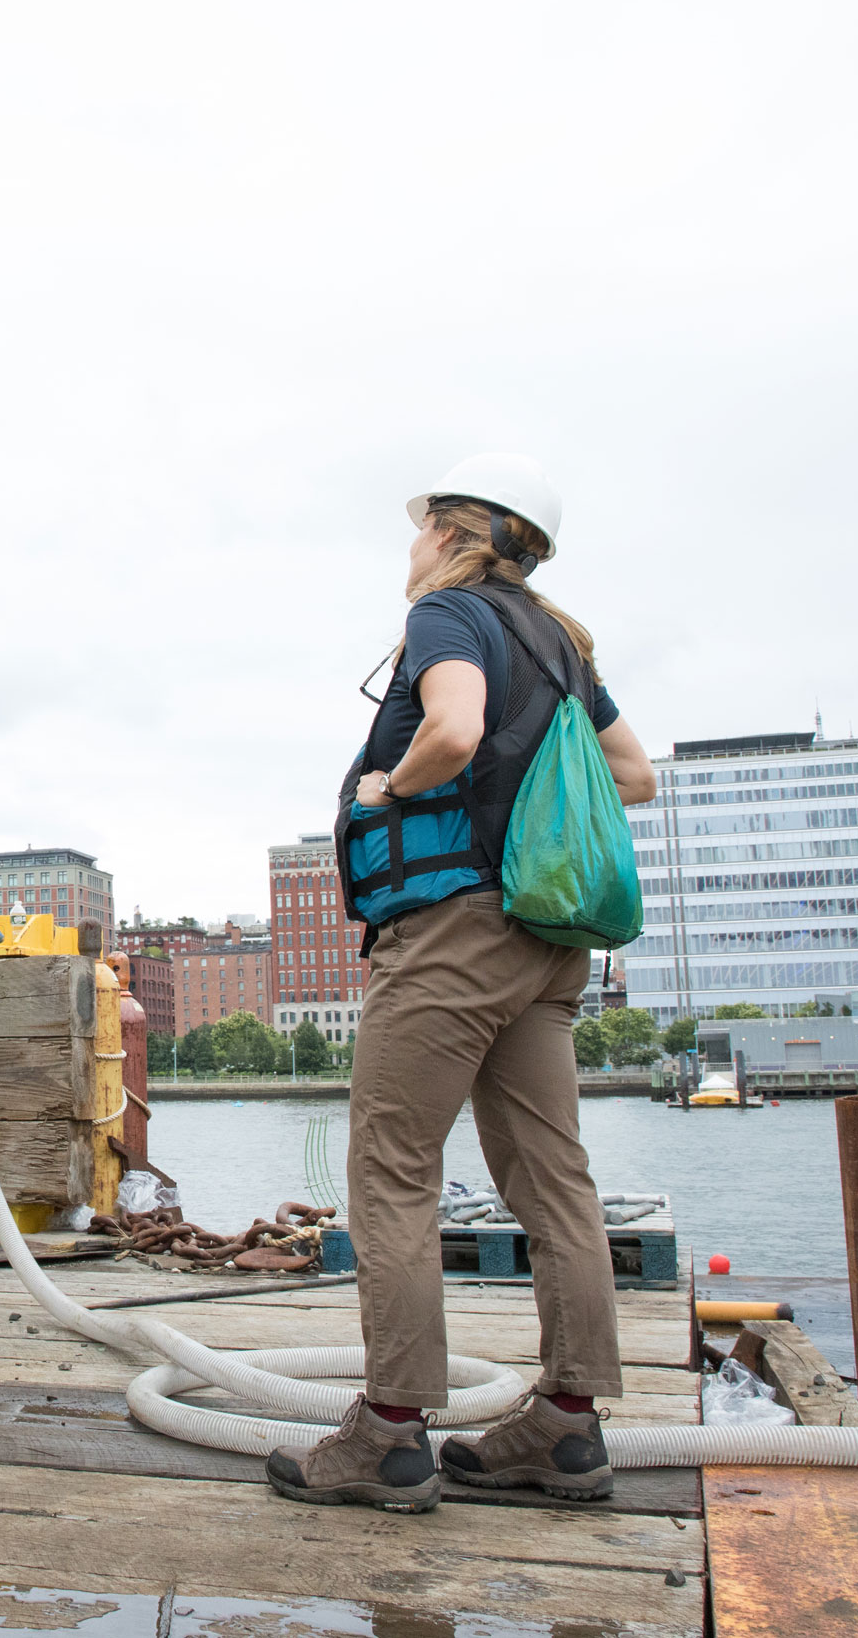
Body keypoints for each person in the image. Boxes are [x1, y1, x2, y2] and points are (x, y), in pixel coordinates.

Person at [265, 453, 657, 1515]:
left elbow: (454, 727)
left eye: (416, 529)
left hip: (449, 934)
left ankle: (390, 1435)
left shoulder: (450, 616)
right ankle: (567, 1428)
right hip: (542, 940)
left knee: (392, 1171)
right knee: (553, 1180)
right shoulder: (562, 643)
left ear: (450, 531)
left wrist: (394, 781)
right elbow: (634, 776)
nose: (409, 549)